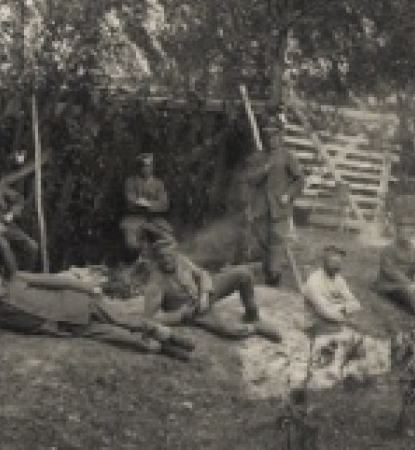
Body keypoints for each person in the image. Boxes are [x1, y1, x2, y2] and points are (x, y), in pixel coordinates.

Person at [0, 271, 196, 360]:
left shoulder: (18, 279)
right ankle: (164, 350)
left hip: (79, 303)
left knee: (125, 320)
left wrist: (87, 288)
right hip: (68, 327)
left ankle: (168, 336)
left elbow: (57, 281)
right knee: (117, 337)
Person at [142, 231, 282, 343]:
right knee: (231, 331)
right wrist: (181, 314)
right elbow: (151, 319)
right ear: (157, 259)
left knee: (243, 274)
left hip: (203, 295)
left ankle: (252, 316)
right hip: (192, 311)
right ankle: (254, 328)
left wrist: (204, 294)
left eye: (170, 256)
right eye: (162, 257)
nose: (167, 260)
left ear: (175, 254)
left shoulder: (181, 260)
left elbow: (202, 274)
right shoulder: (155, 284)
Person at [246, 118, 305, 286]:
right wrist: (263, 170)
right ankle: (269, 272)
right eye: (268, 135)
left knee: (278, 241)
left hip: (279, 208)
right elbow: (250, 179)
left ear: (281, 136)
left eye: (274, 135)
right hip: (261, 208)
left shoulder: (288, 157)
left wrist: (289, 194)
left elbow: (299, 180)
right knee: (263, 242)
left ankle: (274, 276)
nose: (271, 139)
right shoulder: (258, 157)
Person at [120, 152, 172, 253]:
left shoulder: (158, 183)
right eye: (144, 166)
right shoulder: (131, 182)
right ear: (139, 168)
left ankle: (159, 258)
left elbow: (164, 204)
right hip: (134, 218)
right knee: (131, 245)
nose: (147, 169)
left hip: (155, 219)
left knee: (168, 239)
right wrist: (142, 204)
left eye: (150, 166)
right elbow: (130, 200)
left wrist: (148, 204)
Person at [303, 243, 363, 330]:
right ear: (325, 261)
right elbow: (326, 312)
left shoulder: (338, 279)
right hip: (315, 326)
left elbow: (356, 304)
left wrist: (341, 309)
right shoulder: (314, 281)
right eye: (333, 260)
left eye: (339, 261)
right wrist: (344, 309)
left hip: (336, 324)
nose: (338, 264)